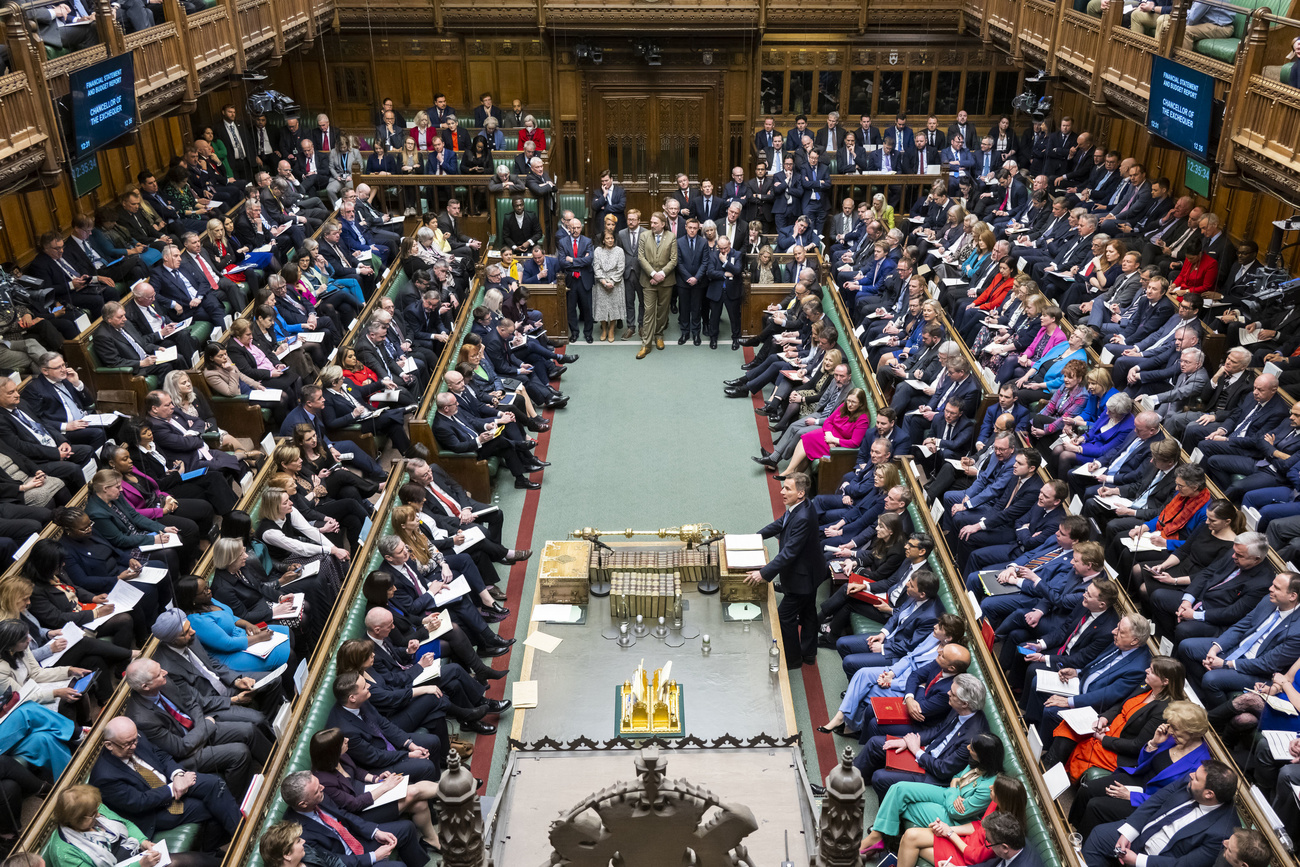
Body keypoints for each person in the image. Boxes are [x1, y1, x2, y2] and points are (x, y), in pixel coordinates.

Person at [91, 716, 242, 842]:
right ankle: (233, 844)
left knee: (215, 784)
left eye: (135, 740)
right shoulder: (104, 776)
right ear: (109, 745)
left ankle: (241, 836)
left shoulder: (134, 737)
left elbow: (161, 755)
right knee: (210, 808)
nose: (134, 745)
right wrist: (173, 788)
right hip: (153, 812)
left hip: (171, 782)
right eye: (128, 744)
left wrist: (178, 775)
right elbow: (139, 802)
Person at [858, 733, 1006, 857]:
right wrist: (954, 787)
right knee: (899, 789)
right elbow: (956, 777)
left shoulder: (989, 786)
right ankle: (877, 836)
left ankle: (882, 839)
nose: (968, 747)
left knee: (907, 806)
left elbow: (956, 812)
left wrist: (954, 788)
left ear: (984, 756)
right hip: (949, 795)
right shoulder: (976, 762)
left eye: (972, 747)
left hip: (955, 819)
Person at [1081, 760, 1240, 867]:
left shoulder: (1222, 832)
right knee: (1098, 836)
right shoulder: (1190, 779)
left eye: (1197, 778)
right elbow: (1156, 801)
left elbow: (1183, 865)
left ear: (1209, 794)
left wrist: (1138, 861)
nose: (1191, 775)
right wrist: (1128, 833)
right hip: (1140, 835)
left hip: (1156, 860)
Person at [307, 728, 441, 851]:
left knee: (420, 804)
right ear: (333, 751)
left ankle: (432, 841)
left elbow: (356, 771)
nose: (347, 739)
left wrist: (376, 779)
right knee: (412, 792)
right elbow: (353, 805)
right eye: (343, 741)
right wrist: (384, 787)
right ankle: (451, 790)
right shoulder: (323, 781)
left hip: (369, 791)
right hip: (361, 813)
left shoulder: (341, 756)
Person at [744, 473, 825, 669]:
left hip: (802, 579)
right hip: (811, 572)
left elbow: (788, 553)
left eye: (787, 489)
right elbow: (781, 523)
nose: (782, 492)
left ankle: (793, 659)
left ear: (801, 493)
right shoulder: (800, 507)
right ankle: (808, 653)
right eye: (783, 487)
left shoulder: (803, 517)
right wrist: (754, 538)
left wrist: (763, 573)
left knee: (784, 617)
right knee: (808, 613)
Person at [279, 770, 428, 867]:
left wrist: (375, 832)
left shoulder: (319, 797)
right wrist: (374, 856)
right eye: (317, 790)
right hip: (348, 860)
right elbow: (332, 861)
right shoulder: (299, 834)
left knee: (406, 828)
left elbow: (345, 815)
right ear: (303, 804)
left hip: (356, 840)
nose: (323, 788)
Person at [47, 785, 218, 867]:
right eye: (92, 814)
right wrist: (139, 866)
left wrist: (143, 842)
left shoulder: (94, 809)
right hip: (132, 864)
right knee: (176, 864)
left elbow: (126, 825)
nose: (99, 815)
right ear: (75, 820)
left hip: (135, 855)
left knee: (183, 862)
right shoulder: (65, 853)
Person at [895, 775, 1027, 867]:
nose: (990, 787)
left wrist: (950, 834)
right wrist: (948, 829)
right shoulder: (995, 804)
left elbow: (974, 856)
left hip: (966, 857)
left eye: (994, 789)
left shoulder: (1004, 832)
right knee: (910, 835)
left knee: (912, 845)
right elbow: (979, 826)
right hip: (965, 840)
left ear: (1003, 798)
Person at [175, 574, 291, 673]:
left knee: (288, 633)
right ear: (192, 599)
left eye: (207, 586)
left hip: (241, 635)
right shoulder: (197, 620)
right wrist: (259, 637)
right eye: (204, 591)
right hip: (229, 655)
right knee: (289, 654)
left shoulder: (209, 600)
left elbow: (230, 616)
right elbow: (227, 644)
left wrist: (248, 624)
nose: (209, 591)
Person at [592, 230, 626, 343]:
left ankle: (611, 329)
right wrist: (603, 281)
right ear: (603, 240)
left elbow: (621, 268)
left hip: (615, 283)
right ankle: (604, 329)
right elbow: (596, 267)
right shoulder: (597, 250)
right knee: (602, 307)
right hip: (601, 283)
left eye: (611, 238)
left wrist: (612, 281)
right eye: (607, 238)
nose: (610, 240)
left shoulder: (619, 251)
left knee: (614, 307)